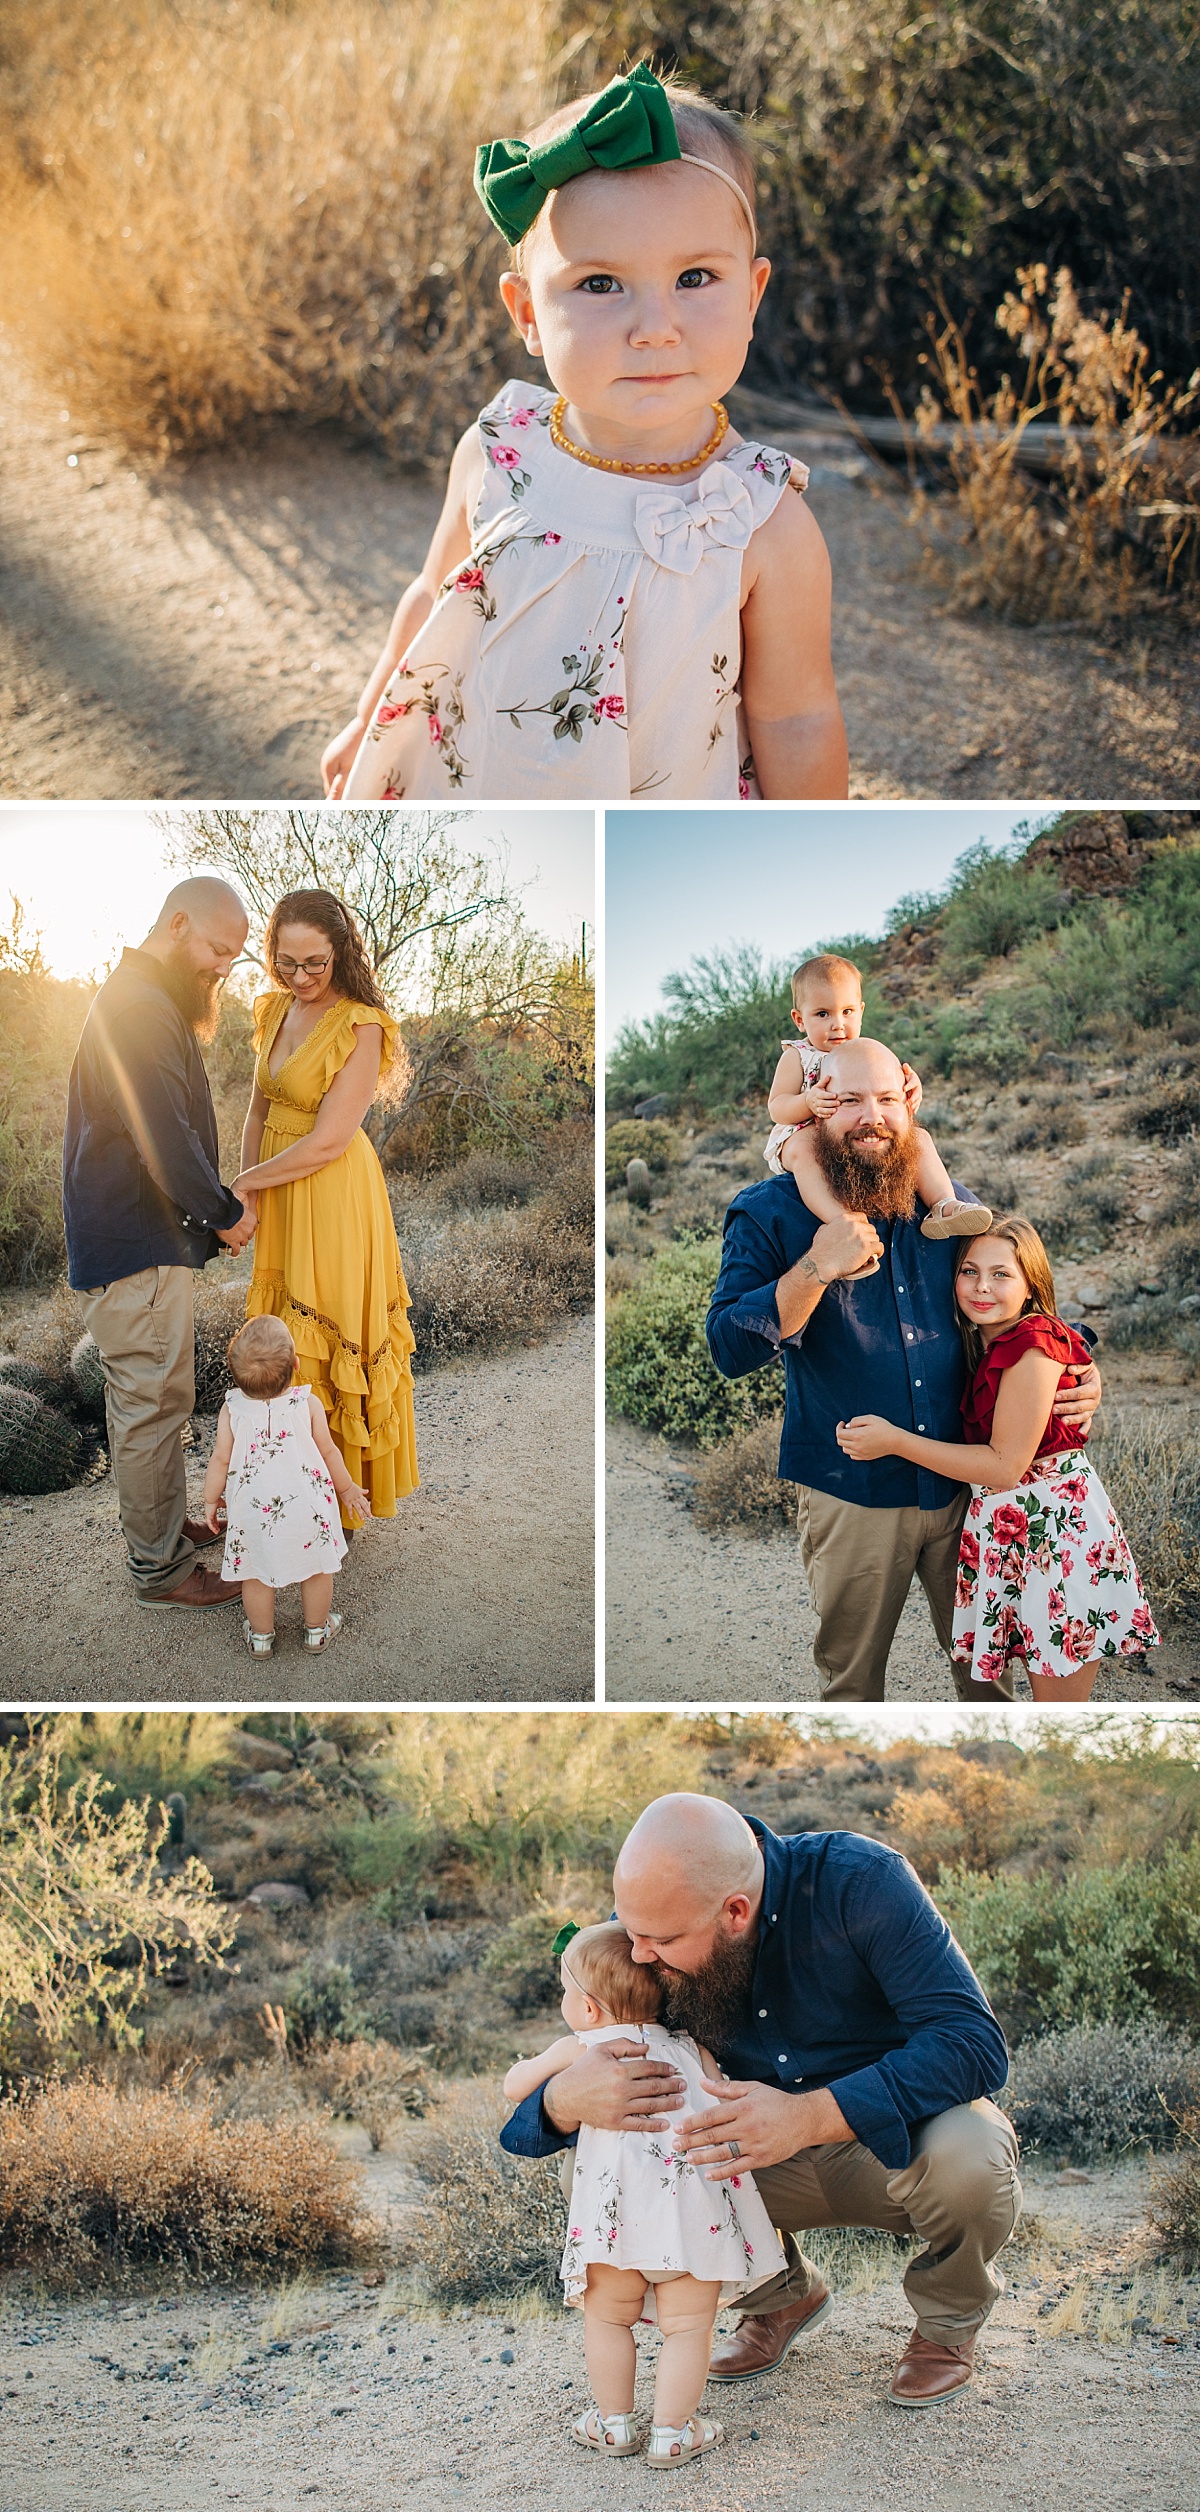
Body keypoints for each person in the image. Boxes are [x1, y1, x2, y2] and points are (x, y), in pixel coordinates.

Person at [322, 67, 846, 804]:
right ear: (528, 314)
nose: (655, 329)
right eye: (600, 284)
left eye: (695, 278)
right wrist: (367, 717)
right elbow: (429, 598)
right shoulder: (497, 453)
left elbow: (797, 715)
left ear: (754, 294)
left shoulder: (763, 521)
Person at [501, 1795, 1021, 2413]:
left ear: (735, 1911)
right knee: (596, 2169)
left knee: (973, 2153)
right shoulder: (655, 1922)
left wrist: (809, 2116)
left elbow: (974, 2044)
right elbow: (550, 2097)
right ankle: (780, 2299)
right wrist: (564, 2099)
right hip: (749, 2167)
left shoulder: (861, 1883)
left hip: (889, 2147)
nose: (638, 1954)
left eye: (659, 1940)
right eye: (630, 1930)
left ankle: (946, 2327)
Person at [705, 1038, 1103, 1700]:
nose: (872, 1116)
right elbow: (729, 1346)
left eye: (888, 1099)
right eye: (849, 1098)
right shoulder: (769, 1212)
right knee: (853, 1685)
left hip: (968, 1492)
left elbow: (1013, 1295)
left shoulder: (946, 1206)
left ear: (908, 1103)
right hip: (852, 1493)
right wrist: (815, 1267)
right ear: (814, 1109)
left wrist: (1082, 1364)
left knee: (987, 1679)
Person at [836, 1213, 1159, 1699]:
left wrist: (895, 1441)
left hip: (1053, 1534)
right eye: (969, 1271)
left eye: (1002, 1274)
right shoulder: (986, 1340)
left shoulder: (1032, 1345)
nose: (981, 1287)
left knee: (1059, 1708)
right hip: (1013, 1530)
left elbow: (1005, 1466)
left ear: (1031, 1284)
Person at [503, 1919, 781, 2464]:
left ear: (588, 2010)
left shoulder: (582, 2048)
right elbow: (722, 2098)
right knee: (687, 2330)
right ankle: (673, 2433)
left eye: (566, 1990)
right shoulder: (690, 2046)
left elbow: (517, 2088)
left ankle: (614, 2426)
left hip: (615, 2222)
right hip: (690, 2220)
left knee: (607, 2319)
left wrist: (537, 2066)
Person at [62, 877, 256, 1611]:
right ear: (178, 924)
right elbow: (162, 1138)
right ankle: (161, 1573)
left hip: (147, 1240)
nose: (221, 969)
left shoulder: (142, 998)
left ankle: (169, 1530)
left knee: (164, 1398)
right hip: (135, 1242)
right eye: (217, 950)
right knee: (148, 1408)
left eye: (233, 959)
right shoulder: (140, 1008)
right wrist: (223, 1212)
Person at [231, 889, 419, 1522]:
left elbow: (330, 1139)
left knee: (328, 1325)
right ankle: (284, 1489)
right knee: (281, 1334)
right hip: (279, 1187)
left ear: (340, 954)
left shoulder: (361, 1024)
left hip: (333, 1191)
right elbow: (258, 1107)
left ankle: (336, 1499)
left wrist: (250, 1183)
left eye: (316, 963)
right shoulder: (274, 1011)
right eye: (287, 962)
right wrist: (247, 1190)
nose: (301, 977)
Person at [765, 953, 991, 1247]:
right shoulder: (797, 1056)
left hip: (853, 1134)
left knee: (919, 1138)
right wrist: (807, 1101)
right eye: (823, 1014)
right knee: (805, 1150)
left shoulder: (867, 1052)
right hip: (802, 1132)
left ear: (860, 1011)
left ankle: (944, 1205)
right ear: (799, 1019)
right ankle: (842, 1226)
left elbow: (892, 1088)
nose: (837, 1024)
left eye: (846, 1012)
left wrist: (911, 1085)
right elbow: (777, 1107)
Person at [202, 1315, 371, 1659]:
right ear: (295, 1364)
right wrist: (347, 1489)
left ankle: (262, 1638)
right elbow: (328, 1450)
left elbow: (220, 1459)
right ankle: (316, 1632)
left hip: (254, 1508)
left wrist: (209, 1500)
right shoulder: (306, 1403)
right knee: (317, 1568)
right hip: (306, 1503)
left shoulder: (232, 1409)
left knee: (256, 1572)